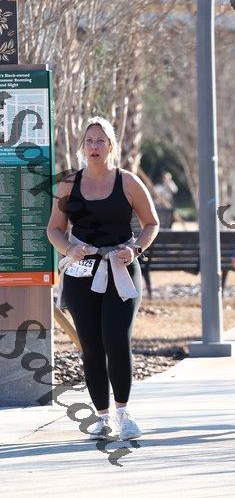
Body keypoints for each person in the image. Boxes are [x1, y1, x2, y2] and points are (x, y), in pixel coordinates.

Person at [47, 117, 159, 440]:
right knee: (91, 344)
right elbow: (54, 229)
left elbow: (151, 223)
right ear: (83, 147)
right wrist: (70, 248)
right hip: (82, 273)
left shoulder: (128, 182)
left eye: (100, 141)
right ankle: (102, 417)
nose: (94, 146)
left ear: (111, 146)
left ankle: (124, 413)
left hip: (121, 270)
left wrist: (135, 249)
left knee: (116, 338)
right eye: (89, 141)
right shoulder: (69, 185)